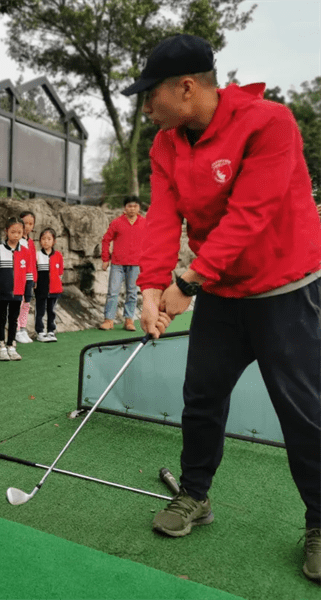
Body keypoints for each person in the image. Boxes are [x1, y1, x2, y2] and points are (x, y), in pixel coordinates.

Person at [125, 33, 321, 582]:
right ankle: (195, 496)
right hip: (223, 293)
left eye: (151, 95)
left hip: (286, 289)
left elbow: (250, 213)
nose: (146, 107)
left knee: (305, 414)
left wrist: (186, 283)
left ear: (186, 88)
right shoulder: (165, 145)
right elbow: (164, 220)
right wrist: (150, 287)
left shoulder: (271, 123)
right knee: (201, 399)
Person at [99, 196, 146, 331]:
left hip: (136, 264)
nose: (132, 208)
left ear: (139, 208)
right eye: (129, 206)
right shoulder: (117, 223)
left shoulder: (145, 223)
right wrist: (105, 259)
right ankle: (109, 320)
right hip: (117, 264)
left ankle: (129, 320)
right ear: (124, 208)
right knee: (113, 292)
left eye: (135, 206)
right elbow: (106, 240)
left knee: (132, 292)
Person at [0, 217, 33, 361]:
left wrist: (28, 293)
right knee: (1, 319)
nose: (16, 235)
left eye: (19, 232)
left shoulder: (26, 252)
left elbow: (29, 273)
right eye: (13, 232)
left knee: (14, 319)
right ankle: (0, 346)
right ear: (6, 231)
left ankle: (11, 345)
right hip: (2, 293)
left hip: (18, 293)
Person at [34, 228, 63, 342]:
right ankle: (40, 331)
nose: (46, 241)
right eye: (43, 239)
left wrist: (58, 285)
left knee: (52, 310)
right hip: (41, 288)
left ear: (54, 241)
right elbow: (34, 271)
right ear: (40, 241)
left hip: (54, 289)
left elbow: (60, 272)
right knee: (40, 310)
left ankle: (51, 331)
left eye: (49, 239)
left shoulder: (58, 256)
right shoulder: (37, 255)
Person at [15, 210, 37, 343]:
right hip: (19, 277)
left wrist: (34, 278)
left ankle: (23, 328)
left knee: (27, 302)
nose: (28, 226)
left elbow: (33, 261)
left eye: (31, 223)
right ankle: (16, 329)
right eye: (25, 223)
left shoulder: (31, 242)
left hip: (29, 277)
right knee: (19, 302)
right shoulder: (17, 241)